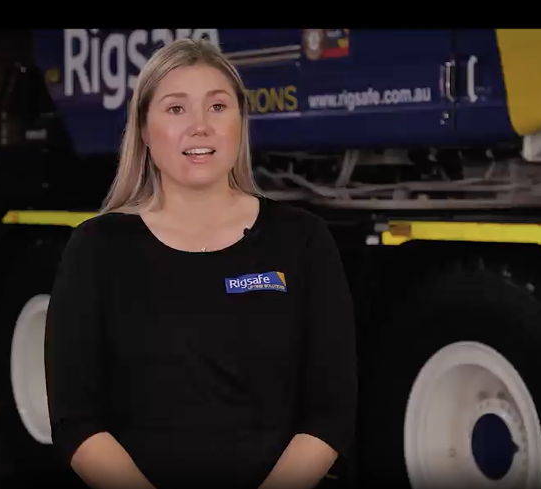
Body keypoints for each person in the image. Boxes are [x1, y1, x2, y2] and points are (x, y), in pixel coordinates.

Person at [44, 37, 358, 489]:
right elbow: (77, 421)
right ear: (146, 132)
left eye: (217, 107)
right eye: (176, 109)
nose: (200, 126)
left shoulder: (303, 241)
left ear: (240, 123)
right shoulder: (96, 248)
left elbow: (331, 411)